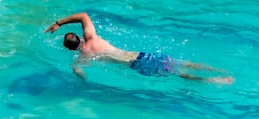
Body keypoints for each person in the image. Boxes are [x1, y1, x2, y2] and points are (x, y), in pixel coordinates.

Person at [45, 12, 233, 84]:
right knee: (182, 63)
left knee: (178, 74)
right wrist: (59, 23)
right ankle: (215, 70)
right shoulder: (92, 37)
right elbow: (83, 16)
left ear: (70, 49)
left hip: (136, 65)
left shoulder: (83, 57)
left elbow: (79, 71)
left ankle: (213, 80)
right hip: (140, 55)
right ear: (79, 36)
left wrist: (81, 78)